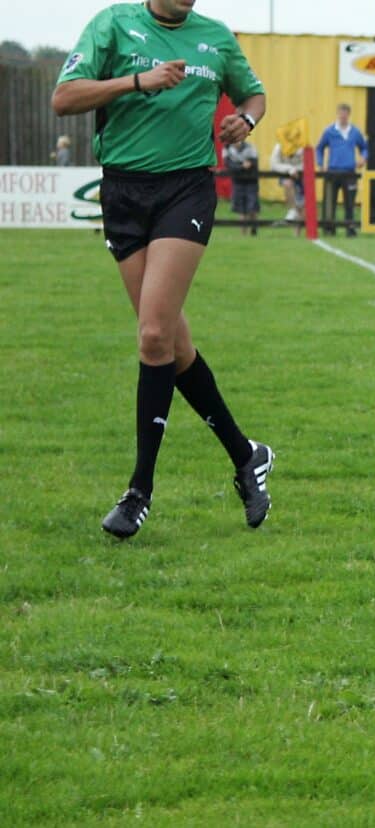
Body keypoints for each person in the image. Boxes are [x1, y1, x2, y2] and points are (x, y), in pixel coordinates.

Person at [52, 0, 274, 539]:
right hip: (123, 191)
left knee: (153, 334)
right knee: (172, 343)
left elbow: (254, 93)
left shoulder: (215, 37)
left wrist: (245, 118)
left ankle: (139, 492)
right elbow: (63, 99)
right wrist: (136, 81)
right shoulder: (112, 24)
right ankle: (248, 455)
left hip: (186, 188)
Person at [315, 103, 367, 237]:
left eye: (345, 115)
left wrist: (363, 159)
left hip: (349, 172)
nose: (343, 117)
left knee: (350, 202)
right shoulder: (330, 131)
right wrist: (321, 164)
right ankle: (329, 229)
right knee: (330, 202)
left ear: (348, 115)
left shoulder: (355, 132)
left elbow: (364, 147)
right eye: (340, 114)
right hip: (332, 171)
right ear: (337, 114)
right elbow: (319, 148)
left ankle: (350, 229)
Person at [223, 137, 259, 236]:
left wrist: (238, 166)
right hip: (237, 182)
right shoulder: (227, 149)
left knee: (252, 207)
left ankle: (254, 228)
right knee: (241, 209)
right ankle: (243, 233)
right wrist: (241, 166)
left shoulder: (250, 148)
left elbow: (253, 163)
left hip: (251, 181)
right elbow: (229, 165)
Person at [269, 141, 304, 223]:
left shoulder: (302, 145)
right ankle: (292, 210)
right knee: (287, 183)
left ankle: (298, 235)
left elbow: (306, 163)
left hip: (301, 176)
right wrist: (289, 169)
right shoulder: (279, 146)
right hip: (286, 174)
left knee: (302, 206)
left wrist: (296, 169)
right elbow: (273, 164)